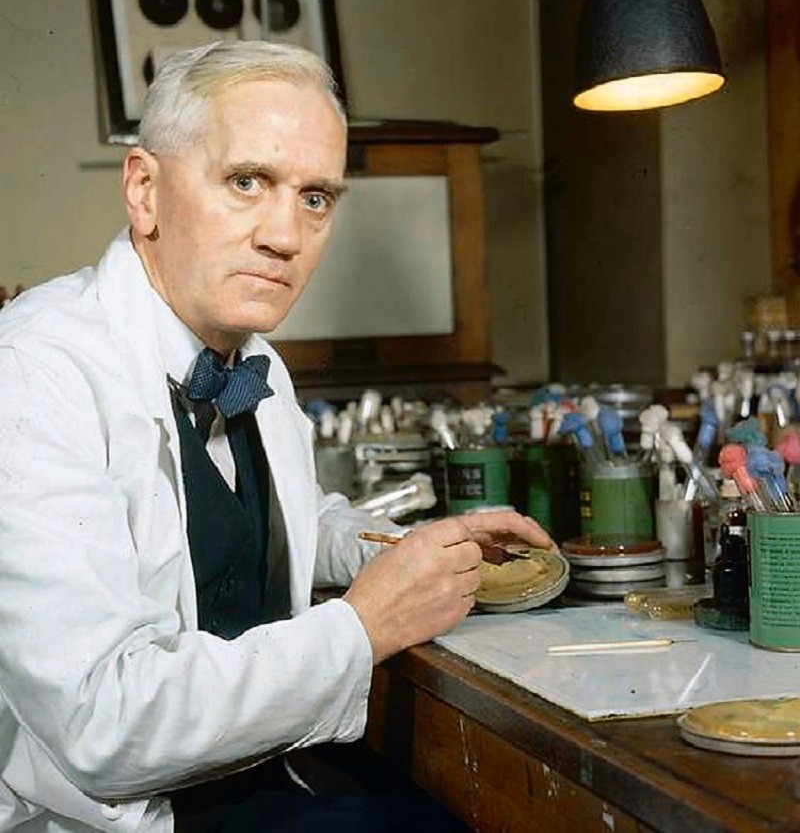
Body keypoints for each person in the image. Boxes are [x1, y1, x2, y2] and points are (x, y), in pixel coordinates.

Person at [0, 40, 553, 832]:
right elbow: (103, 725)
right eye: (247, 182)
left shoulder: (253, 361)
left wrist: (403, 551)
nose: (286, 236)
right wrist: (364, 624)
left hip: (256, 777)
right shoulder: (35, 372)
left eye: (315, 198)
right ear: (145, 190)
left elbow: (283, 513)